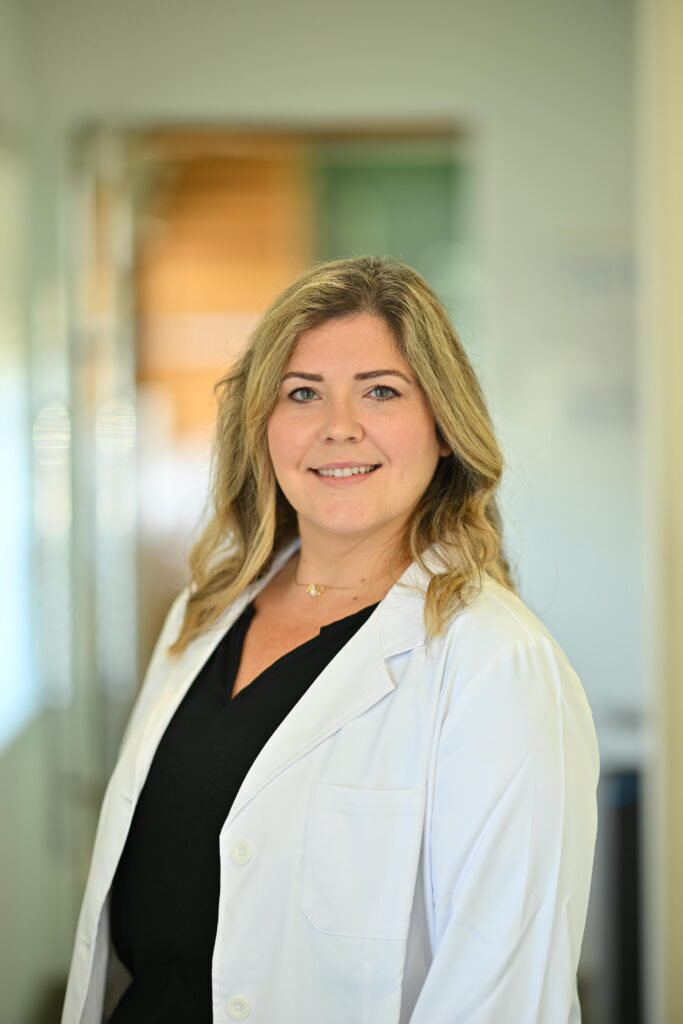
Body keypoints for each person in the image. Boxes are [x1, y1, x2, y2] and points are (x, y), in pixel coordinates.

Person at [62, 255, 599, 1024]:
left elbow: (501, 994)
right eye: (302, 394)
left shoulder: (493, 662)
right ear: (264, 426)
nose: (337, 427)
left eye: (381, 391)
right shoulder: (203, 614)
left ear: (443, 428)